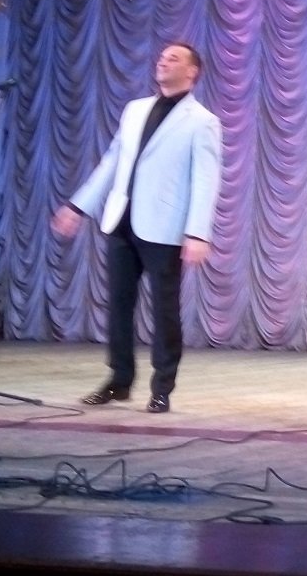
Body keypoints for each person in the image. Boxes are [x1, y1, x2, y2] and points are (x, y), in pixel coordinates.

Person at [51, 41, 223, 414]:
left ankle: (162, 387)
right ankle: (119, 380)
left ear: (192, 72)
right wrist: (79, 206)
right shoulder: (135, 110)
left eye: (173, 58)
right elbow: (112, 162)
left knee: (164, 310)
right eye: (161, 57)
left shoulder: (202, 121)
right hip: (122, 220)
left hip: (165, 227)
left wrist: (198, 232)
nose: (163, 61)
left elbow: (205, 179)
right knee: (118, 305)